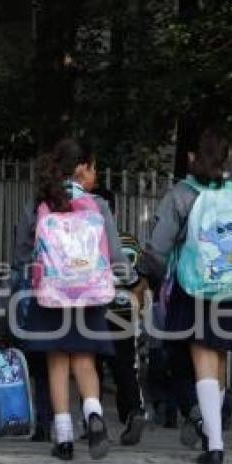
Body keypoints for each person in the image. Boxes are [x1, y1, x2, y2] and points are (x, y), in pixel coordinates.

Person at [134, 125, 232, 464]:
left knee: (201, 357)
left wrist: (145, 278)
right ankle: (214, 433)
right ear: (227, 157)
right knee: (219, 359)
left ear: (192, 157)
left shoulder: (181, 195)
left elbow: (158, 248)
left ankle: (214, 443)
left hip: (195, 286)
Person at [12, 138, 128, 461]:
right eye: (92, 166)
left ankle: (62, 437)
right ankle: (93, 414)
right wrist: (128, 277)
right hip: (89, 295)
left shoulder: (39, 204)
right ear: (81, 168)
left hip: (50, 295)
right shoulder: (98, 205)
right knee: (85, 360)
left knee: (57, 363)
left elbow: (22, 252)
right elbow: (116, 254)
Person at [91, 190, 148, 445]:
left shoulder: (85, 238)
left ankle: (93, 418)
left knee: (92, 367)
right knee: (125, 368)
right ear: (115, 213)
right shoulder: (129, 241)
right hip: (124, 313)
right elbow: (140, 279)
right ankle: (133, 411)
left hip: (93, 311)